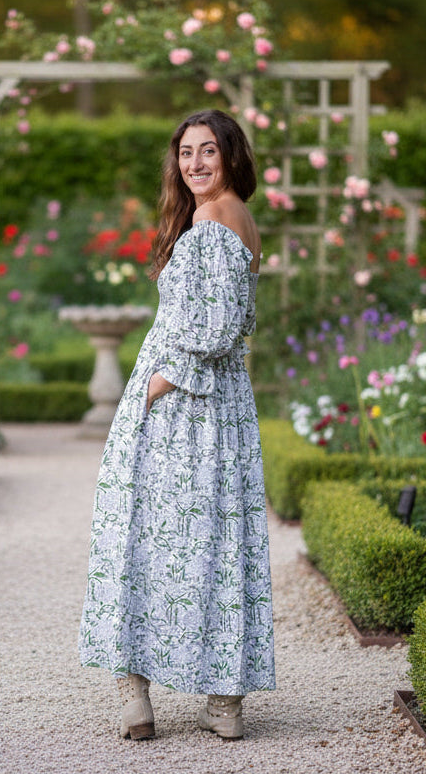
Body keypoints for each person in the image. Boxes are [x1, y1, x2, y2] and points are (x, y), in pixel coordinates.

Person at [78, 109, 275, 741]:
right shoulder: (234, 215)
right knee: (218, 540)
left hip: (187, 406)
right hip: (218, 408)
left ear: (231, 156)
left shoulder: (216, 219)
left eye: (208, 151)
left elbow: (218, 330)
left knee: (143, 535)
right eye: (186, 153)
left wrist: (163, 381)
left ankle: (137, 694)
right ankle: (223, 701)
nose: (194, 164)